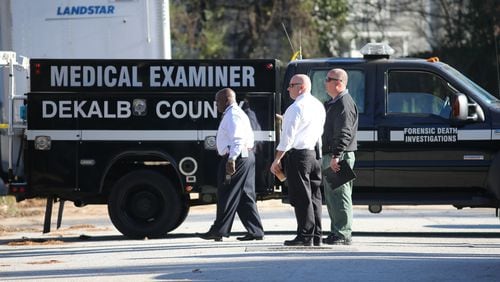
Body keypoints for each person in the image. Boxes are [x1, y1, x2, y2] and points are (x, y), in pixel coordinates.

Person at [198, 88, 265, 242]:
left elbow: (238, 139)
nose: (216, 105)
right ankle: (255, 231)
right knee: (244, 195)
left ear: (226, 100)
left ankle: (219, 230)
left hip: (237, 158)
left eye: (217, 101)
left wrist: (231, 159)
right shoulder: (235, 113)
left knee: (226, 193)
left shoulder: (233, 115)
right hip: (245, 157)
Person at [270, 74, 326, 246]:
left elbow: (287, 137)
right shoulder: (318, 105)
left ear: (300, 87)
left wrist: (277, 159)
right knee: (315, 196)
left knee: (302, 197)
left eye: (291, 85)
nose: (288, 88)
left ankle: (305, 235)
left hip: (299, 155)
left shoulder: (295, 107)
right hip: (315, 154)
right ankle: (316, 235)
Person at [321, 68, 358, 245]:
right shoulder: (334, 102)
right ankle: (336, 231)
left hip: (339, 156)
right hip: (332, 155)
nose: (324, 82)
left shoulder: (344, 103)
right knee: (332, 197)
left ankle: (343, 233)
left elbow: (344, 132)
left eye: (328, 79)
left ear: (339, 82)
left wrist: (337, 155)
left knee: (341, 196)